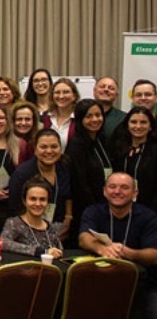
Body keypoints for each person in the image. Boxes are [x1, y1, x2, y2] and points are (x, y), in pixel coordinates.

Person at [79, 172, 157, 319]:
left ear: (135, 193)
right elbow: (83, 238)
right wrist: (102, 249)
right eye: (112, 187)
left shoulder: (148, 216)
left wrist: (130, 253)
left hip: (143, 284)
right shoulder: (93, 211)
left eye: (124, 187)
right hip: (100, 281)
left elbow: (154, 255)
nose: (117, 192)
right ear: (104, 191)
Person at [9, 129, 72, 241]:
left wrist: (68, 219)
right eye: (43, 147)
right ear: (35, 150)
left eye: (54, 146)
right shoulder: (22, 174)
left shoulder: (65, 167)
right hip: (30, 234)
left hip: (61, 230)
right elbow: (15, 208)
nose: (49, 151)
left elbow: (69, 195)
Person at [65, 98, 111, 243]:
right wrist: (96, 208)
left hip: (106, 203)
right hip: (86, 207)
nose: (95, 119)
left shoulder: (101, 139)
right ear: (80, 119)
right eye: (89, 116)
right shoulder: (76, 145)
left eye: (98, 115)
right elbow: (80, 183)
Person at [0, 176, 63, 258]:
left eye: (42, 199)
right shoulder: (14, 223)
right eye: (33, 199)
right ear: (24, 201)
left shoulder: (50, 227)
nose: (37, 204)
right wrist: (40, 251)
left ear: (48, 203)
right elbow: (3, 243)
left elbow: (60, 250)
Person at [111, 106, 157, 211]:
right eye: (133, 122)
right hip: (119, 207)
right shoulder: (118, 149)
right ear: (127, 125)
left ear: (150, 126)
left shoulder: (154, 150)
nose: (138, 126)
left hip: (149, 208)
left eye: (143, 122)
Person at [42, 77, 79, 149]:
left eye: (66, 92)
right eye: (57, 92)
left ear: (74, 96)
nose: (61, 96)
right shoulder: (46, 118)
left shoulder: (80, 118)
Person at [93, 76, 126, 144]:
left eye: (111, 88)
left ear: (116, 95)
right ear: (94, 91)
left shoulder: (124, 118)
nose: (106, 90)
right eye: (102, 86)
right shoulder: (82, 115)